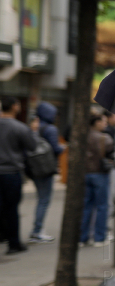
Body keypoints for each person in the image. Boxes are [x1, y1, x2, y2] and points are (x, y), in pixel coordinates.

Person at [0, 97, 37, 254]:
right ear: (14, 107)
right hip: (11, 173)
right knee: (11, 208)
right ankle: (13, 244)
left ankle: (3, 235)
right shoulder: (20, 128)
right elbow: (32, 146)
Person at [30, 102, 64, 243]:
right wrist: (63, 147)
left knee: (40, 198)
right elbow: (55, 149)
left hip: (36, 168)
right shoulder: (50, 129)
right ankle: (37, 231)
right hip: (47, 168)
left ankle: (37, 230)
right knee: (44, 200)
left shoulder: (35, 127)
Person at [80, 114, 114, 247]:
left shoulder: (82, 136)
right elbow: (111, 153)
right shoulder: (104, 138)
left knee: (86, 206)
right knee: (102, 206)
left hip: (85, 173)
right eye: (103, 121)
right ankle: (99, 237)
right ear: (97, 122)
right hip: (100, 174)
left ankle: (83, 237)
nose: (104, 124)